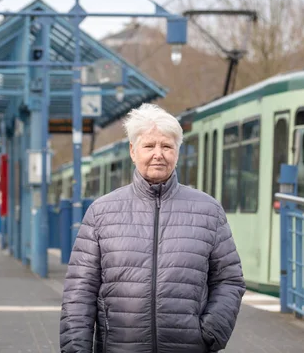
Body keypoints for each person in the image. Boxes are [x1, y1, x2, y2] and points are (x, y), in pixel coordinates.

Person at [59, 103, 246, 353]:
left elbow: (229, 280)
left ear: (177, 152)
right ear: (133, 151)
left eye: (167, 146)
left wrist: (211, 332)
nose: (158, 154)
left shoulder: (208, 211)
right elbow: (79, 291)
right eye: (149, 146)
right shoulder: (101, 212)